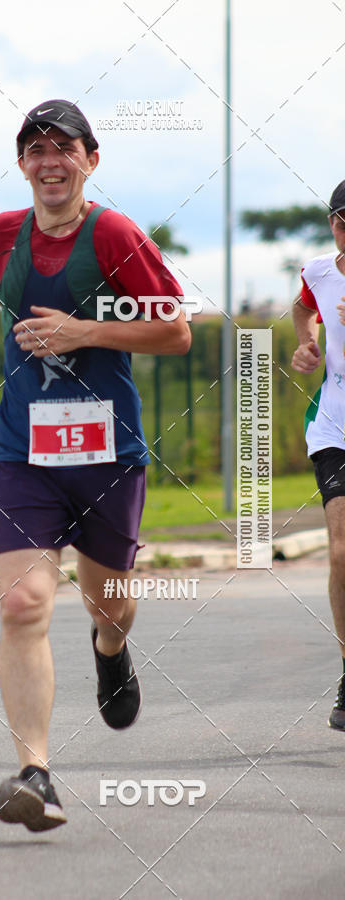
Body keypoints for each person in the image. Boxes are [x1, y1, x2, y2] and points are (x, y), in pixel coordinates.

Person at [0, 99, 191, 829]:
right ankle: (35, 774)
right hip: (24, 452)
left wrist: (85, 330)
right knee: (22, 602)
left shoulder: (116, 237)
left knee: (109, 603)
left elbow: (175, 332)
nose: (50, 161)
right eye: (35, 149)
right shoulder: (3, 233)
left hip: (106, 454)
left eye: (63, 148)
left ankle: (110, 648)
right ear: (21, 165)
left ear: (90, 160)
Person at [291, 179, 345, 730]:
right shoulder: (320, 271)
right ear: (333, 223)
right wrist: (307, 343)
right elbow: (302, 305)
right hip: (335, 427)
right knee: (341, 553)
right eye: (344, 220)